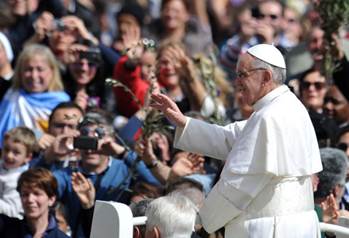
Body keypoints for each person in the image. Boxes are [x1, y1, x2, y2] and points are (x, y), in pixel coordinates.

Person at [151, 44, 323, 237]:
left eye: (243, 74)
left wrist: (204, 223)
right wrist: (183, 122)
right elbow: (231, 137)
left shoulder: (270, 116)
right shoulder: (287, 106)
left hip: (272, 229)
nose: (237, 82)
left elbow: (239, 184)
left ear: (266, 77)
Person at [0, 44, 70, 145]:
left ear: (52, 71)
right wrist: (34, 135)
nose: (34, 75)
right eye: (28, 69)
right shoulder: (10, 95)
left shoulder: (63, 103)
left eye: (40, 69)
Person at [0, 167, 69, 238]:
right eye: (25, 194)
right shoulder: (6, 228)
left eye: (37, 193)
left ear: (51, 199)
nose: (30, 199)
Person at [0, 127, 36, 219]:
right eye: (6, 149)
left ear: (28, 157)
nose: (9, 155)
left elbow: (12, 212)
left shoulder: (20, 179)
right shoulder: (2, 165)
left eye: (16, 152)